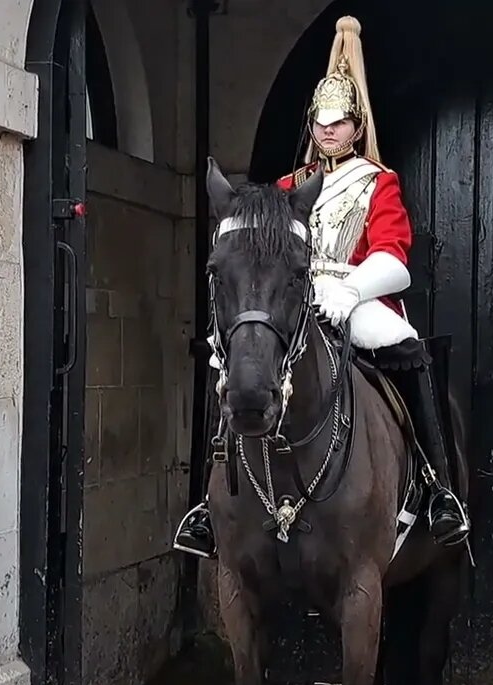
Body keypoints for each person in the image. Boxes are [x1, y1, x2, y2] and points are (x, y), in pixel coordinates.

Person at [173, 15, 471, 559]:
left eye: (340, 122)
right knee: (227, 361)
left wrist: (351, 291)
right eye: (320, 122)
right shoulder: (286, 188)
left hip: (355, 297)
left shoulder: (378, 181)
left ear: (356, 126)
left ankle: (437, 487)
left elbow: (394, 257)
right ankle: (206, 507)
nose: (329, 131)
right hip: (293, 300)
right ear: (311, 124)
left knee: (407, 351)